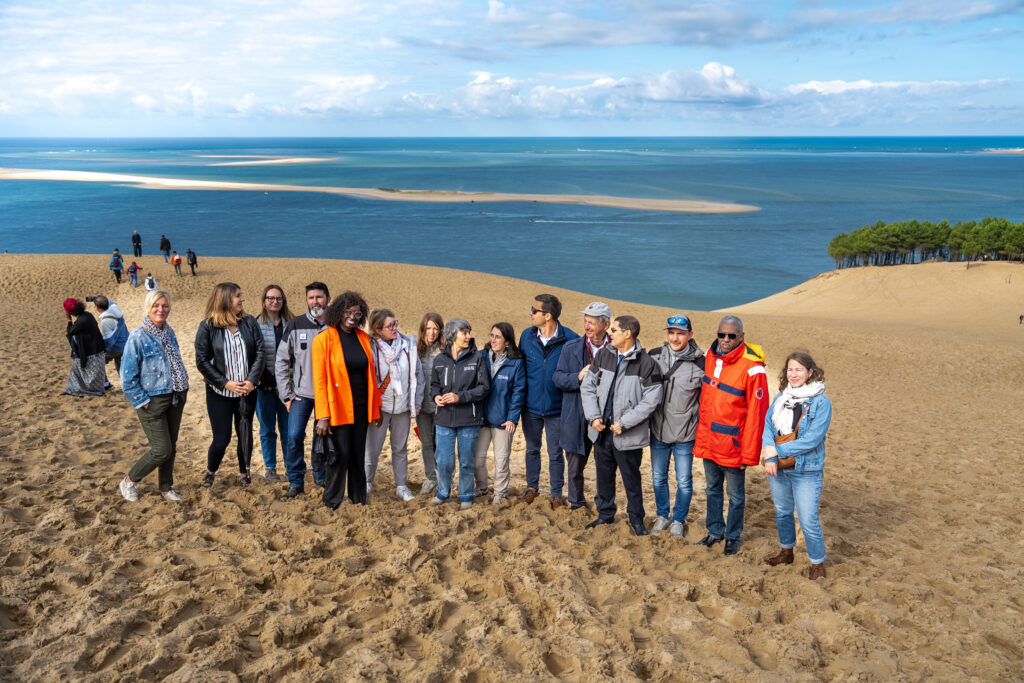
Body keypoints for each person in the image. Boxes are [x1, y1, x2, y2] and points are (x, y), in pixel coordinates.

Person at [693, 315, 769, 556]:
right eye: (721, 334)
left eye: (731, 336)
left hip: (733, 447)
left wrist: (749, 453)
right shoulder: (710, 356)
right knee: (712, 490)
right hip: (709, 442)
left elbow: (757, 416)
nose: (725, 340)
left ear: (742, 337)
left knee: (736, 497)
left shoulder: (753, 368)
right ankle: (715, 531)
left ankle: (733, 537)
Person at [580, 315, 663, 536]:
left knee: (632, 480)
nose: (610, 333)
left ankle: (637, 521)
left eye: (614, 330)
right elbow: (588, 386)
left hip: (627, 435)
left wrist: (625, 423)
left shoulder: (647, 364)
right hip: (601, 432)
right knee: (603, 479)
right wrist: (593, 416)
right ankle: (605, 516)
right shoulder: (604, 356)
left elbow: (652, 399)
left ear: (628, 333)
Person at [762, 352, 832, 580]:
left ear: (810, 372)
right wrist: (771, 458)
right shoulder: (781, 398)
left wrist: (777, 451)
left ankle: (817, 563)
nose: (794, 374)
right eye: (790, 370)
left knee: (807, 518)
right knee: (782, 513)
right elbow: (768, 428)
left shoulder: (821, 402)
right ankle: (786, 551)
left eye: (799, 370)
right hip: (779, 468)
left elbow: (812, 440)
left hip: (807, 470)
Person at [117, 289, 189, 503]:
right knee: (161, 449)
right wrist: (143, 402)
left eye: (165, 306)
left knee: (171, 447)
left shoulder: (169, 332)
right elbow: (127, 377)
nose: (161, 310)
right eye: (156, 306)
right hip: (152, 400)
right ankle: (130, 480)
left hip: (175, 396)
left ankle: (166, 487)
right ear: (148, 308)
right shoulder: (138, 337)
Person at [194, 283, 266, 489]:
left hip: (247, 391)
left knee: (245, 433)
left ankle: (244, 472)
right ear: (225, 299)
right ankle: (210, 470)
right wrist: (226, 383)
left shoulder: (250, 322)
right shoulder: (207, 326)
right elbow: (202, 361)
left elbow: (260, 353)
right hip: (219, 393)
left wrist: (251, 381)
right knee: (221, 438)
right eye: (238, 296)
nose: (242, 299)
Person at [313, 292, 380, 508]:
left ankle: (358, 498)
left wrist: (375, 408)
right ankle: (332, 500)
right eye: (348, 312)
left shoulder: (363, 338)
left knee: (357, 456)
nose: (353, 317)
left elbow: (372, 375)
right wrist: (322, 415)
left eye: (357, 313)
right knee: (339, 457)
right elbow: (320, 381)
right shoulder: (324, 339)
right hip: (337, 408)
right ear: (339, 311)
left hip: (361, 407)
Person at [517, 293, 579, 507]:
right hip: (531, 408)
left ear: (548, 315)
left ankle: (556, 493)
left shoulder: (571, 339)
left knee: (555, 453)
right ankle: (531, 487)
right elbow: (520, 370)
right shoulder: (526, 336)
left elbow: (578, 373)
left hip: (557, 408)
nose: (531, 313)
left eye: (535, 310)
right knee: (532, 449)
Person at [647, 314, 705, 537]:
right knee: (658, 477)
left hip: (685, 435)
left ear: (690, 335)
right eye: (671, 333)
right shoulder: (654, 356)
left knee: (684, 480)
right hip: (659, 432)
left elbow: (707, 399)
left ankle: (679, 519)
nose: (675, 337)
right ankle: (662, 515)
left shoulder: (701, 363)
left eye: (680, 333)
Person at [553, 302, 611, 511]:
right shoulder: (570, 348)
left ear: (606, 325)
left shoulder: (616, 348)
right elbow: (557, 378)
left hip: (605, 418)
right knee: (575, 465)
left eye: (592, 323)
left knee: (605, 466)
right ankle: (577, 503)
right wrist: (577, 377)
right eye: (586, 322)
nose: (587, 327)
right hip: (576, 416)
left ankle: (604, 506)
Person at [276, 282, 331, 498]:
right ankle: (296, 481)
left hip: (328, 397)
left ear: (327, 298)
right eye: (311, 298)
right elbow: (281, 361)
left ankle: (321, 475)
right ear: (306, 300)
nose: (315, 301)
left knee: (324, 438)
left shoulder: (335, 325)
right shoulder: (295, 325)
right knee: (294, 436)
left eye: (319, 297)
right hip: (301, 395)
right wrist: (287, 395)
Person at [431, 319, 490, 510]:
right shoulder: (440, 360)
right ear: (452, 335)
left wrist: (460, 397)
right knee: (444, 461)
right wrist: (436, 397)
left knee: (466, 461)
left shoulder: (477, 358)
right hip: (444, 419)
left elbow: (484, 388)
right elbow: (434, 385)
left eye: (469, 332)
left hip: (469, 419)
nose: (468, 336)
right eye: (464, 332)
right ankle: (443, 493)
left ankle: (466, 495)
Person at [365, 309, 423, 501]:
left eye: (395, 323)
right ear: (378, 329)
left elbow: (418, 375)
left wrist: (416, 403)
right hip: (380, 408)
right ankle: (366, 482)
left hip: (403, 408)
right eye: (390, 325)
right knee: (372, 449)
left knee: (400, 449)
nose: (394, 328)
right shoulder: (370, 348)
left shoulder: (408, 346)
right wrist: (373, 407)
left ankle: (401, 486)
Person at [475, 323, 525, 505]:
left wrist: (512, 418)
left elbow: (519, 392)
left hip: (503, 420)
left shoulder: (516, 363)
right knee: (477, 459)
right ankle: (481, 488)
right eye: (491, 335)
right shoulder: (481, 357)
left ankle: (499, 493)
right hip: (481, 419)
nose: (493, 340)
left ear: (507, 342)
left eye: (497, 337)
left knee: (501, 460)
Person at [255, 285, 294, 481]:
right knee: (267, 428)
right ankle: (270, 467)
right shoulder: (255, 323)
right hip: (264, 387)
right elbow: (254, 358)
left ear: (283, 300)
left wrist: (285, 383)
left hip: (288, 388)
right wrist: (272, 381)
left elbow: (297, 356)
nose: (274, 301)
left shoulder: (292, 323)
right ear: (264, 300)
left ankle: (290, 466)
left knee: (288, 429)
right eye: (270, 298)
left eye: (278, 298)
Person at [415, 313, 445, 495]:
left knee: (441, 442)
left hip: (441, 406)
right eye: (428, 328)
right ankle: (430, 477)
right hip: (421, 405)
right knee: (426, 442)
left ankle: (443, 477)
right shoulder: (416, 349)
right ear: (423, 329)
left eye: (435, 328)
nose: (432, 332)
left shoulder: (444, 350)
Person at [62, 298, 106, 397]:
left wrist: (69, 320)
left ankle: (93, 392)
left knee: (92, 376)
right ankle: (74, 390)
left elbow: (70, 331)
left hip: (92, 352)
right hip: (92, 350)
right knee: (77, 371)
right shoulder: (86, 316)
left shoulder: (83, 320)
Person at [94, 296, 129, 375]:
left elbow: (110, 341)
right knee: (121, 369)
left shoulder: (105, 322)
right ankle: (125, 385)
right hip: (125, 343)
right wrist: (100, 299)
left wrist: (103, 350)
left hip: (115, 348)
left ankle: (105, 384)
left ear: (97, 307)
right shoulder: (115, 308)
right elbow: (111, 303)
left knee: (97, 363)